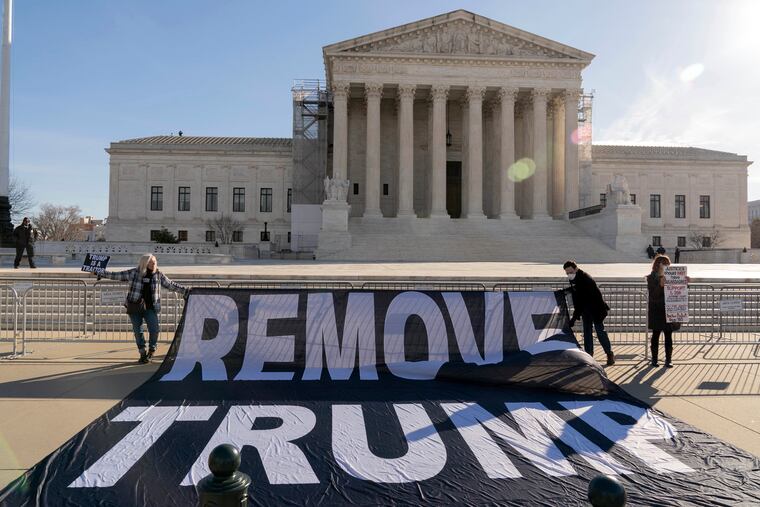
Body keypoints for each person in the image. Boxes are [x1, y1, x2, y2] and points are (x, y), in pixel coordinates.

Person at [96, 254, 188, 363]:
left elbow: (171, 285)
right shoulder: (134, 273)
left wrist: (185, 290)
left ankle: (152, 349)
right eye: (150, 262)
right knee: (137, 330)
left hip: (151, 307)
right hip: (135, 306)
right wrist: (99, 272)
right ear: (144, 263)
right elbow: (117, 275)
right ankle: (142, 352)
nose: (153, 263)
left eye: (154, 261)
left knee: (154, 329)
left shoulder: (158, 275)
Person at [563, 260, 615, 366]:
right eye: (567, 273)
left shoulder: (585, 279)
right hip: (586, 311)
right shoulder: (576, 278)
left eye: (570, 272)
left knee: (600, 332)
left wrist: (573, 318)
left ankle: (609, 354)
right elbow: (576, 294)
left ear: (576, 269)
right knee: (587, 334)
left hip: (596, 310)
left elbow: (581, 300)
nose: (569, 275)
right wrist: (565, 291)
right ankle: (589, 356)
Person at [647, 254, 678, 368]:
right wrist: (660, 285)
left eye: (667, 264)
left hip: (668, 309)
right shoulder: (651, 278)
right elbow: (653, 295)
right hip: (656, 310)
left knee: (668, 335)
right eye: (663, 264)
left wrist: (685, 282)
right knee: (655, 335)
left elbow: (679, 290)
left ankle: (668, 359)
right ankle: (654, 359)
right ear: (657, 265)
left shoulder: (672, 276)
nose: (666, 266)